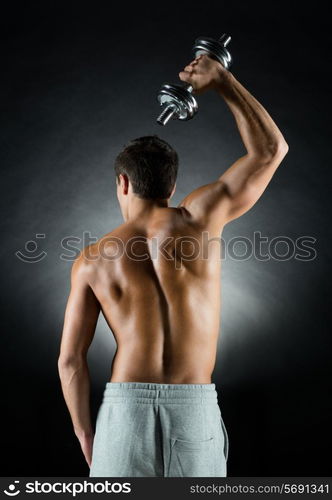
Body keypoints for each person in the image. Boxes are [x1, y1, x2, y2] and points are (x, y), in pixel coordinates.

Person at [58, 53, 288, 477]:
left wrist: (86, 434)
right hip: (193, 405)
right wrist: (222, 82)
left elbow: (71, 360)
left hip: (124, 412)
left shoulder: (90, 261)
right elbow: (272, 150)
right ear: (173, 185)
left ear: (123, 183)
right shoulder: (200, 219)